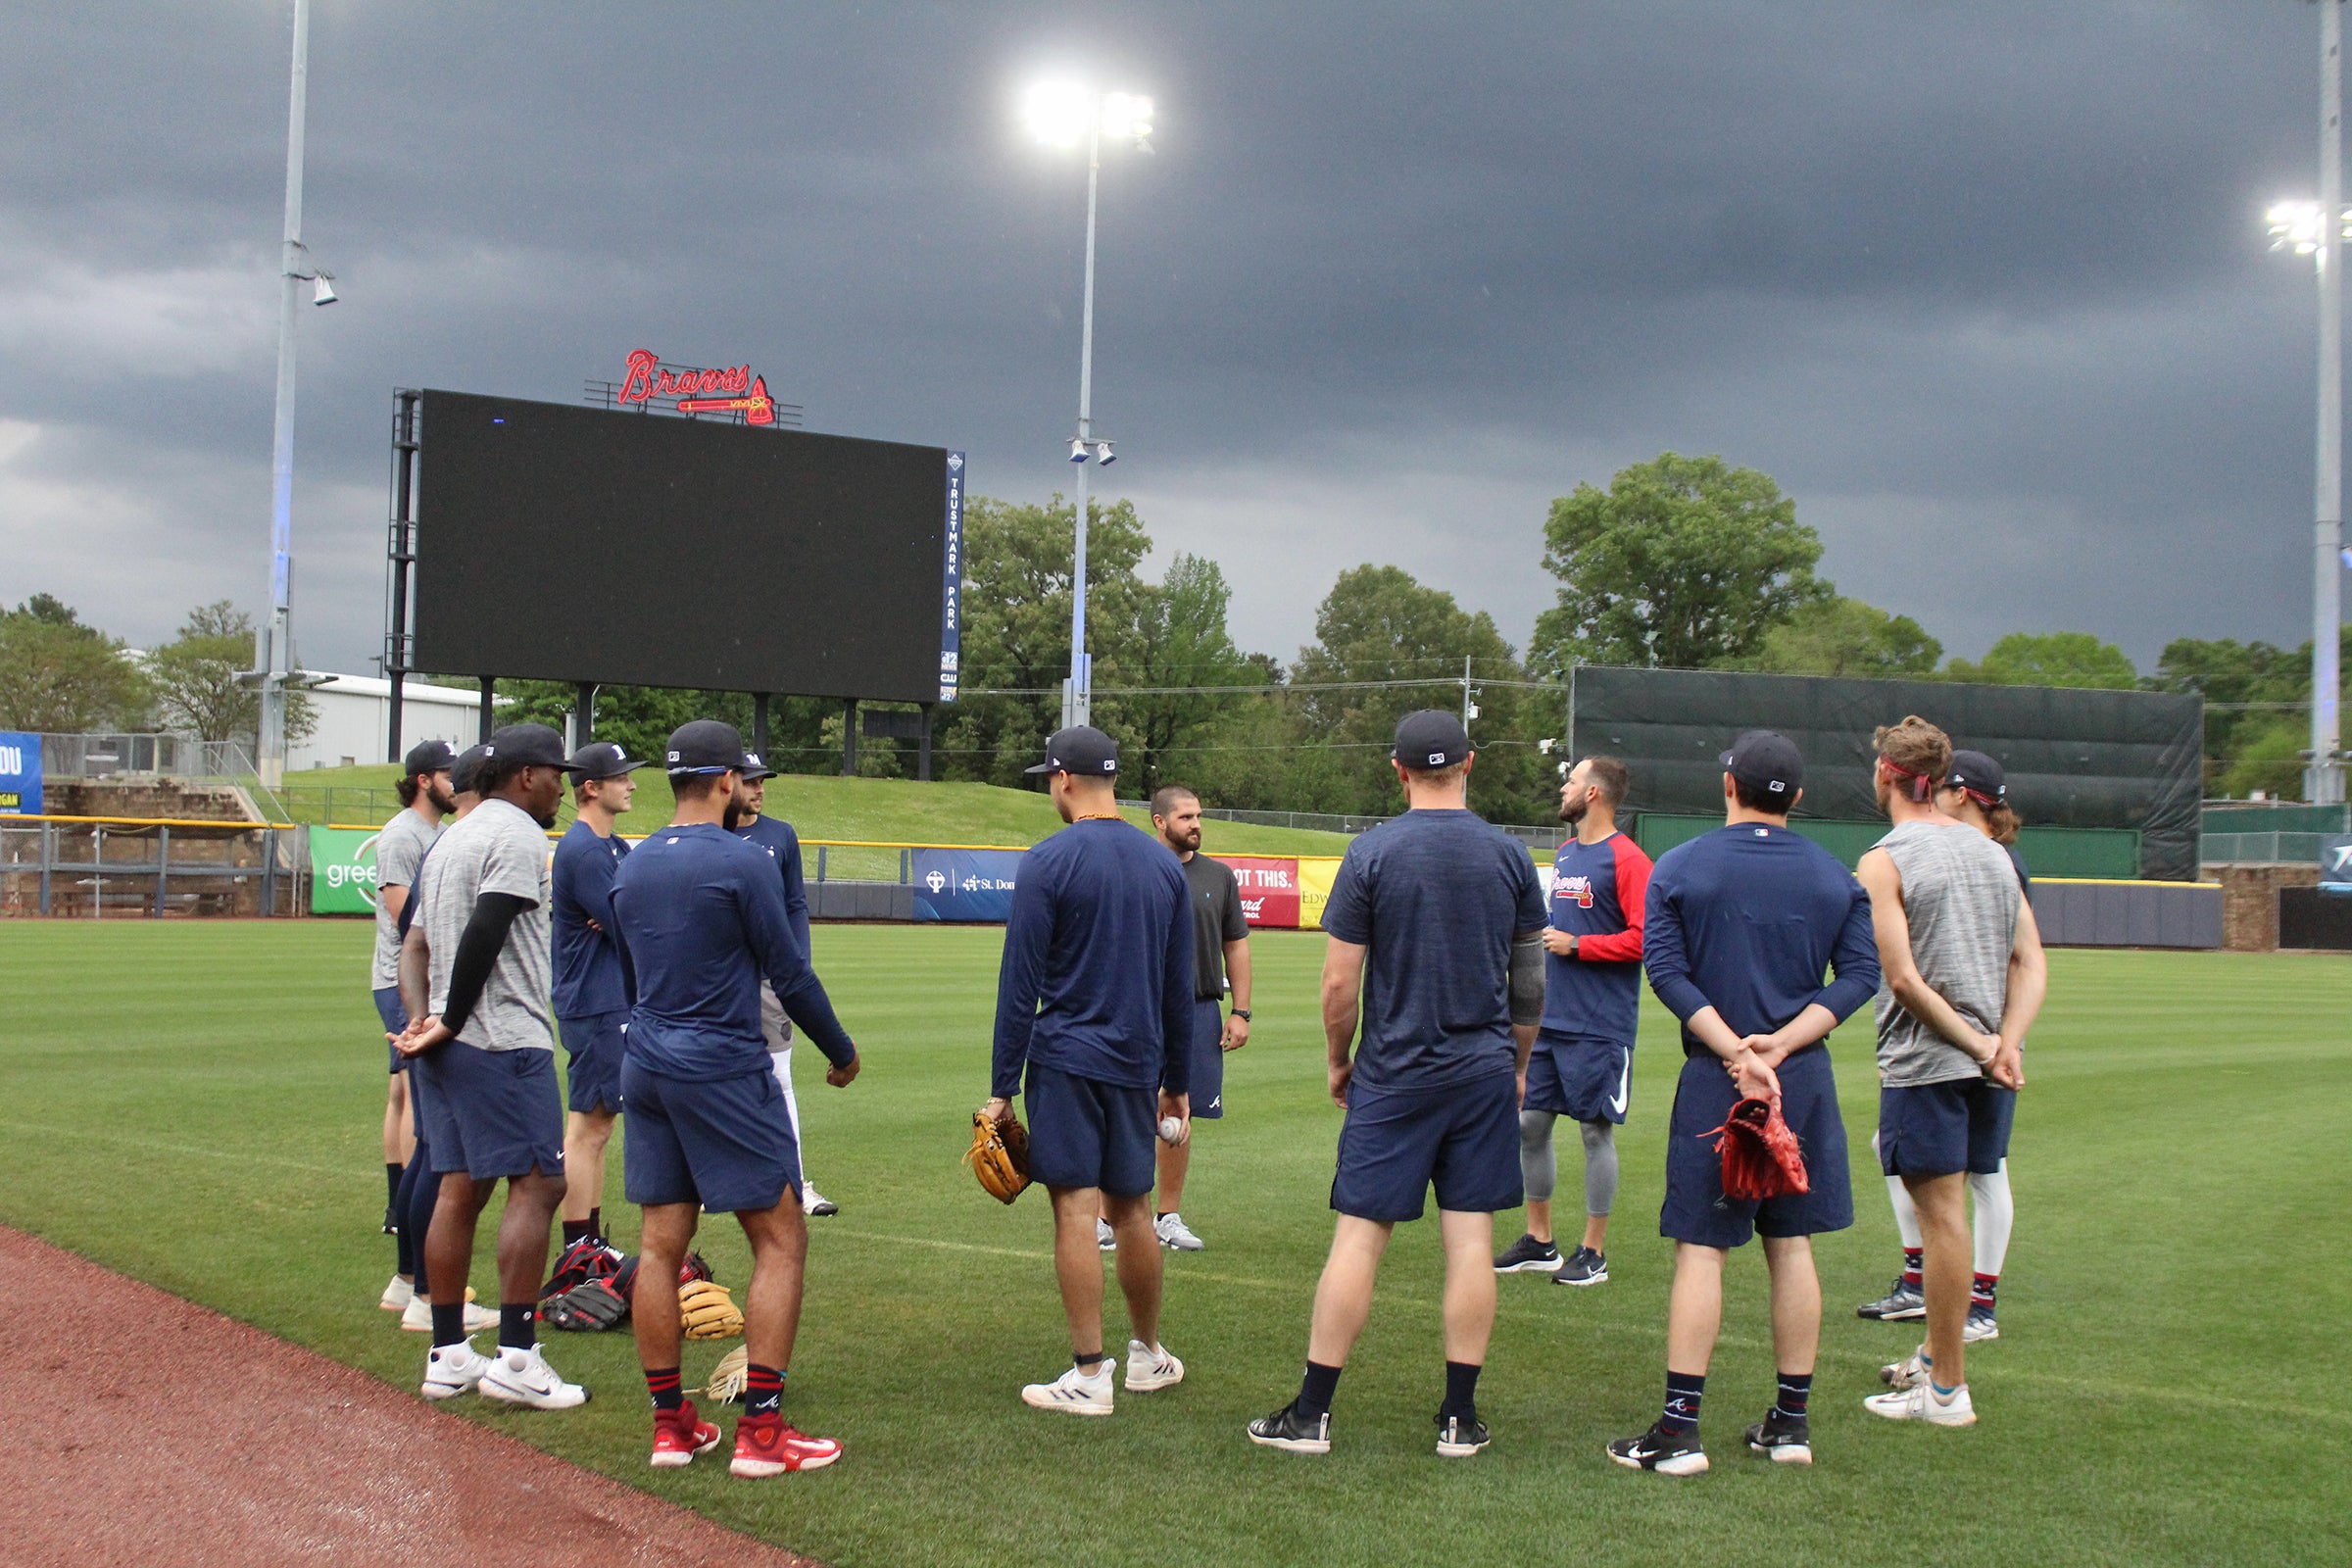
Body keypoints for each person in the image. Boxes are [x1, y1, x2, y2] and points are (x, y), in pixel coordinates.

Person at [1248, 710, 1547, 1460]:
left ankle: (1312, 1415)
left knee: (1359, 1238)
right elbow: (1531, 984)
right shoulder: (1510, 856)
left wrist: (1336, 1058)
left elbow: (1339, 982)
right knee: (1471, 1241)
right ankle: (1459, 1419)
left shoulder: (1373, 851)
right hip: (1479, 1071)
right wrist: (1514, 1066)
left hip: (1395, 1071)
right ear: (1470, 764)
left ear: (1398, 769)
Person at [1607, 730, 1879, 1477]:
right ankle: (1791, 1426)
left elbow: (1665, 972)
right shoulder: (1834, 876)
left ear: (1729, 787)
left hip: (1716, 1080)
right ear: (1799, 797)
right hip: (1801, 1081)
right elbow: (1859, 977)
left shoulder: (1683, 865)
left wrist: (1738, 1054)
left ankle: (1679, 1431)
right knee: (1791, 1246)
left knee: (1704, 1247)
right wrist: (1781, 1048)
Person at [609, 720, 862, 1476]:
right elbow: (790, 975)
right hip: (720, 1065)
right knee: (781, 1238)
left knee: (659, 1244)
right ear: (724, 781)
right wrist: (841, 1053)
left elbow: (629, 976)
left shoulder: (632, 863)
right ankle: (762, 1432)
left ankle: (670, 1425)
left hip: (645, 1061)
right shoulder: (745, 862)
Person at [986, 725, 1192, 1418]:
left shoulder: (1048, 859)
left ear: (1063, 780)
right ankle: (1146, 1355)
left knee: (1075, 1209)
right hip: (1136, 1063)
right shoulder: (1164, 864)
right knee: (1133, 1211)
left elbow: (1020, 985)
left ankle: (1086, 1375)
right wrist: (1178, 1082)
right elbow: (1178, 988)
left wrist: (1000, 1090)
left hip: (1066, 1058)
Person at [1856, 719, 2046, 1429]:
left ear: (1887, 775)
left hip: (1930, 1063)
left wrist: (1975, 1042)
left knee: (1941, 1219)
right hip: (1985, 1061)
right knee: (1956, 1211)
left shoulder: (1885, 858)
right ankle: (1937, 1367)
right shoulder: (1993, 852)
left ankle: (1945, 1391)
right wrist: (2005, 1044)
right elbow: (2031, 960)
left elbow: (1901, 980)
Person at [392, 723, 586, 1411]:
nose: (563, 785)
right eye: (556, 773)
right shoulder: (517, 835)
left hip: (446, 1045)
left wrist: (422, 1019)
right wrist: (450, 1017)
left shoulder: (454, 836)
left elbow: (410, 943)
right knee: (539, 1184)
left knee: (458, 1187)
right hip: (500, 1038)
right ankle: (516, 1355)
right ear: (527, 775)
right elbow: (489, 926)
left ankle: (447, 1354)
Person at [1494, 755, 1649, 1288]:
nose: (1564, 787)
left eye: (1572, 781)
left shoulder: (1628, 860)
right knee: (1529, 1125)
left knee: (1593, 1131)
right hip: (1551, 1021)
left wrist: (1580, 945)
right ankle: (1540, 1242)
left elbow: (1645, 938)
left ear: (1594, 795)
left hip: (1599, 1023)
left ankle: (1594, 1251)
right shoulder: (1564, 854)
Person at [391, 744, 496, 1337]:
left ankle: (410, 1284)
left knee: (432, 1146)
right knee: (438, 1153)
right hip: (431, 1004)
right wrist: (429, 1016)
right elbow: (412, 932)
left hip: (426, 1005)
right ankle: (424, 1295)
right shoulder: (431, 840)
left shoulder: (443, 840)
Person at [1129, 784, 1250, 1253]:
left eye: (1198, 816)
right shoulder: (1137, 868)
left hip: (1199, 1009)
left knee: (1180, 1118)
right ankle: (1107, 1216)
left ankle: (1167, 1216)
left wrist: (1240, 1010)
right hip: (1140, 1007)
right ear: (1160, 822)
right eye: (1185, 818)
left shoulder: (1218, 876)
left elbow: (1235, 945)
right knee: (1125, 1110)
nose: (1196, 824)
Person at [730, 751, 839, 1217]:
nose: (759, 789)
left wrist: (797, 968)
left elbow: (795, 905)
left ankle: (795, 1183)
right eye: (751, 780)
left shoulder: (780, 835)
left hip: (768, 982)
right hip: (720, 983)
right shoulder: (708, 834)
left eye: (762, 781)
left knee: (779, 1081)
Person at [551, 740, 644, 1249]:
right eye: (621, 777)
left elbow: (631, 911)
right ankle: (577, 1248)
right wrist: (623, 914)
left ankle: (589, 1241)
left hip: (609, 997)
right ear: (591, 787)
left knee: (599, 1126)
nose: (631, 784)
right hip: (593, 998)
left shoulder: (613, 847)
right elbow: (628, 922)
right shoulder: (586, 849)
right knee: (589, 1129)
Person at [375, 740, 454, 1312]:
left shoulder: (438, 835)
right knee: (425, 1125)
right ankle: (418, 1281)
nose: (457, 782)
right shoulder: (404, 834)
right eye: (449, 773)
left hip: (424, 978)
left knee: (411, 1103)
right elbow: (406, 915)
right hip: (403, 980)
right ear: (425, 779)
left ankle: (406, 1275)